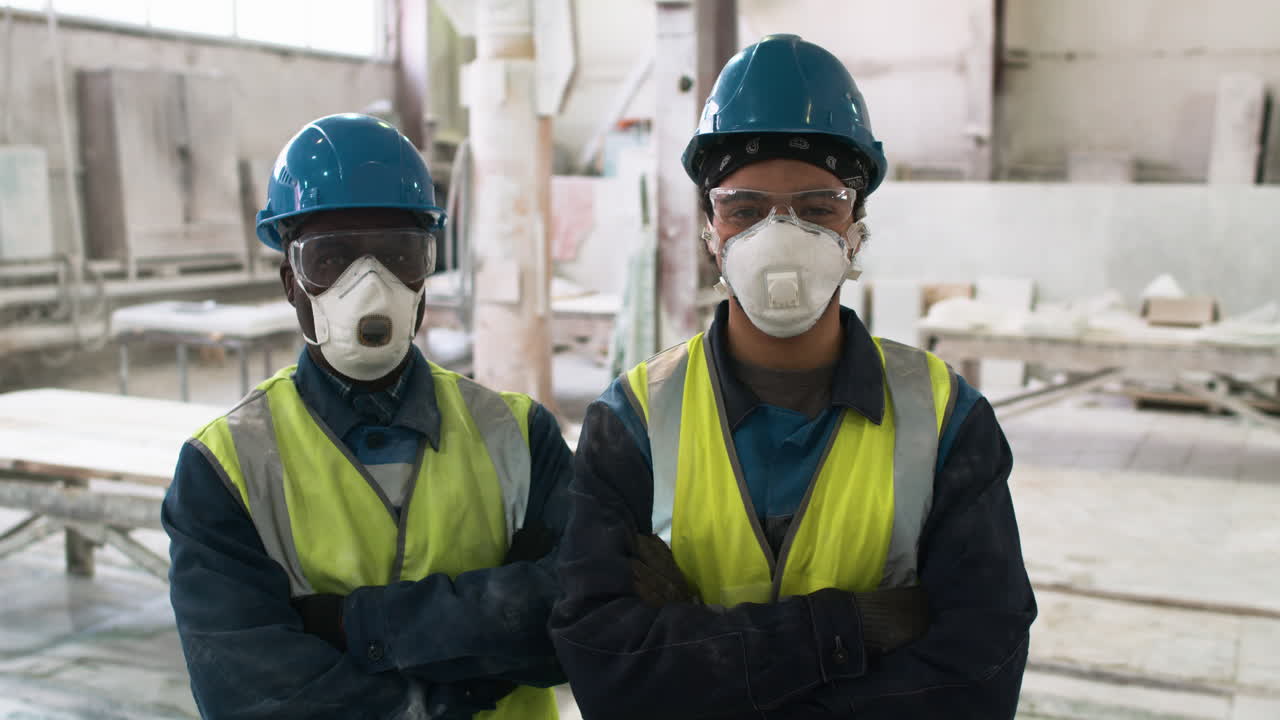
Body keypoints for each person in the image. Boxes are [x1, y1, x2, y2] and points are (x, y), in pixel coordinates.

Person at [550, 35, 1036, 719]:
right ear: (710, 230)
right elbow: (603, 668)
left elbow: (978, 676)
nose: (778, 236)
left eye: (817, 207)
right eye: (744, 210)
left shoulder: (947, 417)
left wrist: (701, 658)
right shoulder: (631, 419)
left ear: (856, 228)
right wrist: (853, 628)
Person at [163, 113, 569, 719]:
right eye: (330, 259)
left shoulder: (521, 437)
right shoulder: (223, 471)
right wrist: (447, 699)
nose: (369, 285)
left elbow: (581, 617)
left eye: (399, 254)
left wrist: (354, 625)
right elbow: (247, 691)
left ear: (426, 273)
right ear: (289, 282)